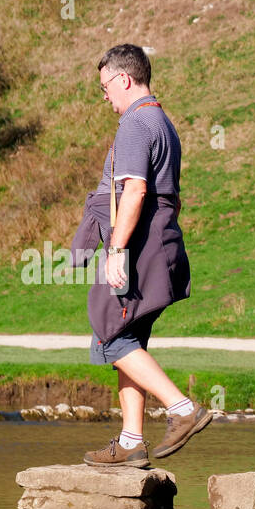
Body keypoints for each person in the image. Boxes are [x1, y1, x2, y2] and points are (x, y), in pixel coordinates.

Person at [70, 44, 210, 467]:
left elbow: (135, 191)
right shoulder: (164, 122)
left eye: (104, 88)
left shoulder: (135, 123)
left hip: (138, 245)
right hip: (159, 242)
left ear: (123, 80)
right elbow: (172, 198)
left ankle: (183, 410)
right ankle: (132, 441)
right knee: (129, 339)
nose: (105, 98)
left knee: (110, 331)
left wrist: (115, 251)